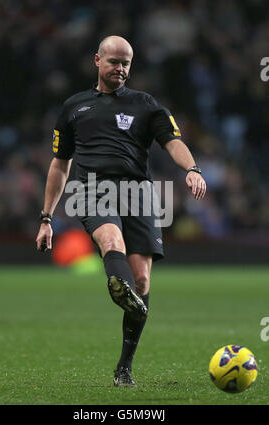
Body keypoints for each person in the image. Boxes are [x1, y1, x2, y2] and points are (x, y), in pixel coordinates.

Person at [36, 35, 207, 387]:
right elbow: (59, 165)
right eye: (114, 61)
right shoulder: (74, 106)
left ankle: (124, 366)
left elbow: (172, 141)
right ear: (97, 60)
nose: (120, 69)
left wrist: (192, 169)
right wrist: (46, 218)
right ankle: (120, 286)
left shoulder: (146, 104)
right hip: (91, 189)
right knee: (111, 240)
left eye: (126, 63)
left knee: (142, 279)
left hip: (138, 192)